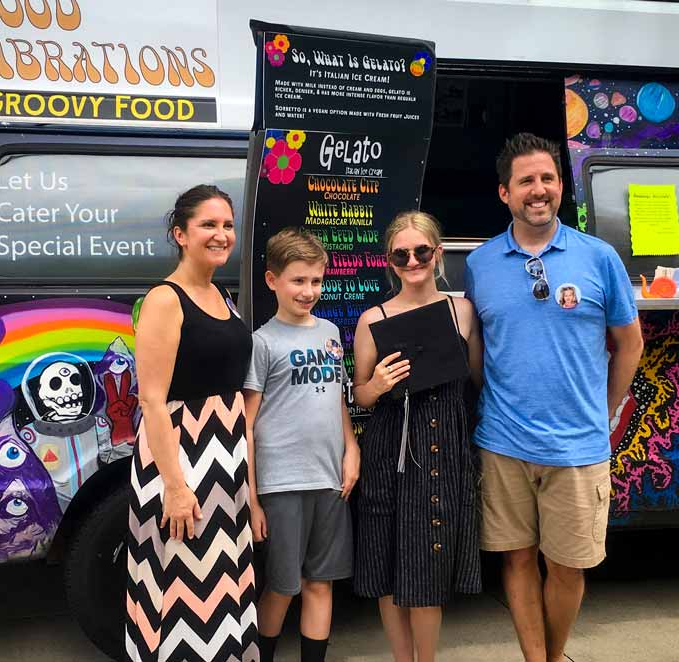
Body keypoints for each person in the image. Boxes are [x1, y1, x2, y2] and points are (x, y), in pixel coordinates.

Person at [464, 133, 644, 662]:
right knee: (516, 561)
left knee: (568, 567)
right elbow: (479, 347)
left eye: (547, 179)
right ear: (505, 193)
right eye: (526, 181)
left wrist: (606, 409)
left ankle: (554, 654)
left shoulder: (599, 256)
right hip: (503, 442)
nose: (538, 190)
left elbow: (629, 343)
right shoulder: (480, 263)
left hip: (577, 447)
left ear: (560, 185)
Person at [126, 185, 258, 662]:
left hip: (223, 457)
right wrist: (176, 488)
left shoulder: (220, 294)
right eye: (209, 224)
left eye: (227, 224)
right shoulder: (166, 299)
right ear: (180, 234)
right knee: (179, 591)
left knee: (224, 588)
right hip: (183, 460)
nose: (222, 234)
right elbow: (153, 401)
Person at [352, 211, 483, 662]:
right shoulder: (373, 319)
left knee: (429, 565)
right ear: (390, 260)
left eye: (421, 251)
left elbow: (477, 378)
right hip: (392, 449)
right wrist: (379, 384)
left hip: (444, 445)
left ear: (438, 253)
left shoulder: (462, 310)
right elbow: (361, 395)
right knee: (389, 563)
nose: (412, 261)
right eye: (401, 254)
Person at [243, 228, 360, 662]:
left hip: (329, 479)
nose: (308, 290)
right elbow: (248, 425)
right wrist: (252, 498)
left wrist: (352, 449)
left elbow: (338, 402)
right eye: (298, 280)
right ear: (273, 280)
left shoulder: (330, 333)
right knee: (282, 585)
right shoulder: (263, 342)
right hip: (281, 485)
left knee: (320, 582)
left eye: (315, 280)